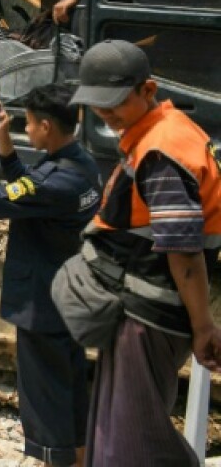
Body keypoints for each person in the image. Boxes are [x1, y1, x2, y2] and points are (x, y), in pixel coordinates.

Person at [69, 40, 221, 467]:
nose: (105, 113)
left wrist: (203, 327)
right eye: (97, 104)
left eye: (114, 103)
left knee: (133, 438)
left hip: (149, 309)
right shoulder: (165, 133)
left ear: (148, 89)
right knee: (125, 425)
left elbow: (184, 252)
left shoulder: (162, 152)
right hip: (142, 305)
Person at [0, 83, 102, 467]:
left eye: (30, 124)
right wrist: (4, 143)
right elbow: (28, 190)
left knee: (46, 407)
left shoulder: (52, 180)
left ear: (48, 126)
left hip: (42, 305)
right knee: (70, 397)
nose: (27, 129)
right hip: (69, 299)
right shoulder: (81, 165)